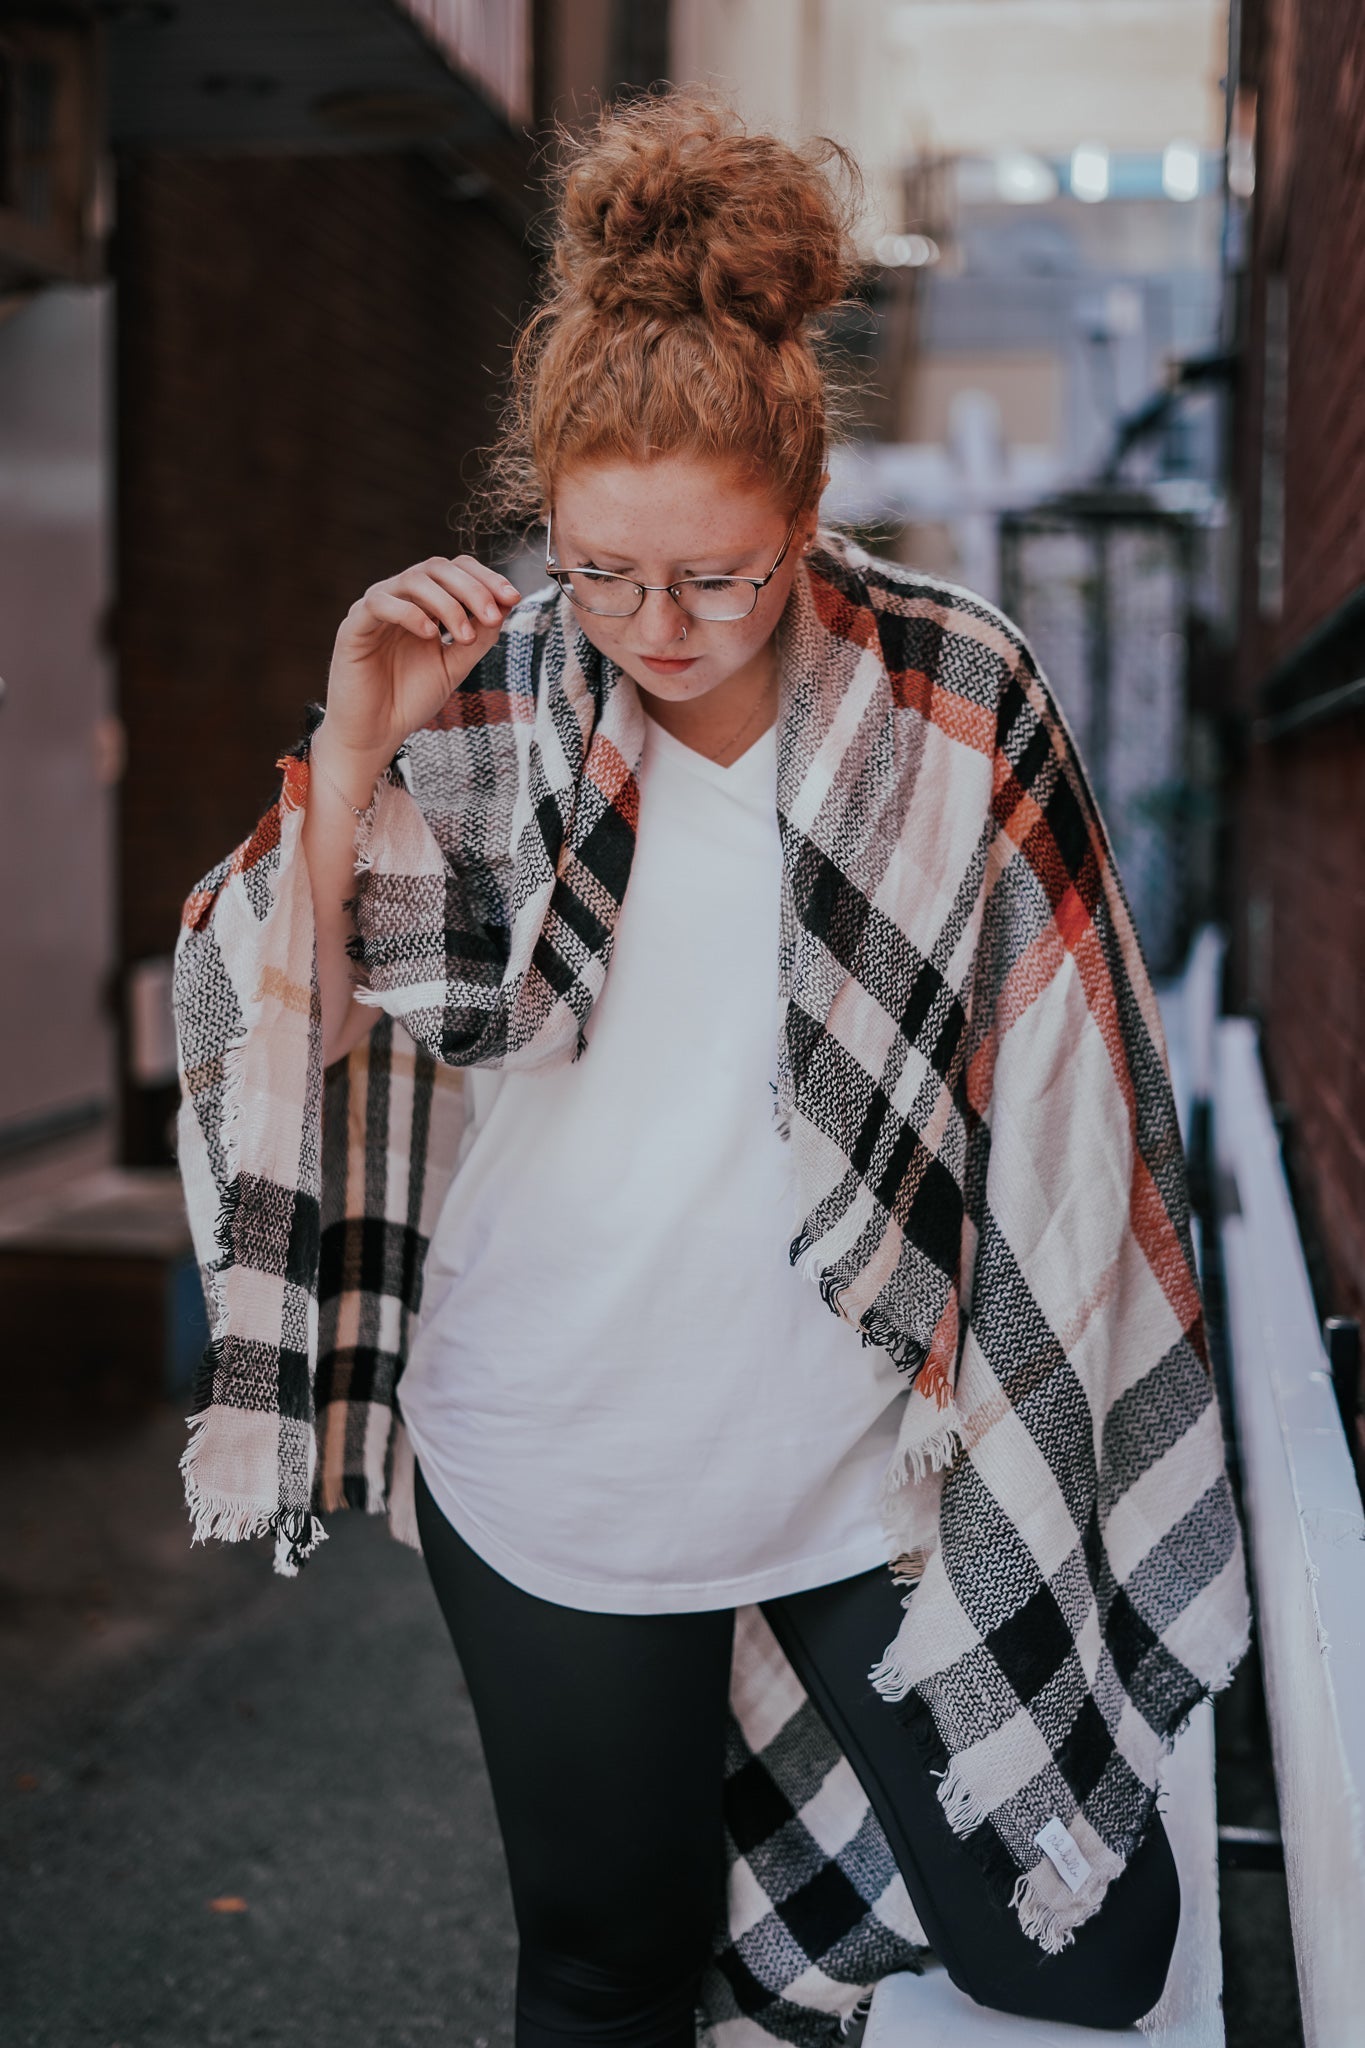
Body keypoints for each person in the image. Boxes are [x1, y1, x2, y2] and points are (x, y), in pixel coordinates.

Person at [173, 88, 1249, 2048]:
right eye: (601, 571)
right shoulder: (478, 684)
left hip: (869, 1459)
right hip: (557, 1450)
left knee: (1074, 1946)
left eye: (718, 576)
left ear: (804, 509)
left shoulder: (951, 689)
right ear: (550, 522)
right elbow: (278, 1034)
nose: (654, 628)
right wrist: (347, 753)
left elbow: (1083, 1088)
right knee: (604, 1968)